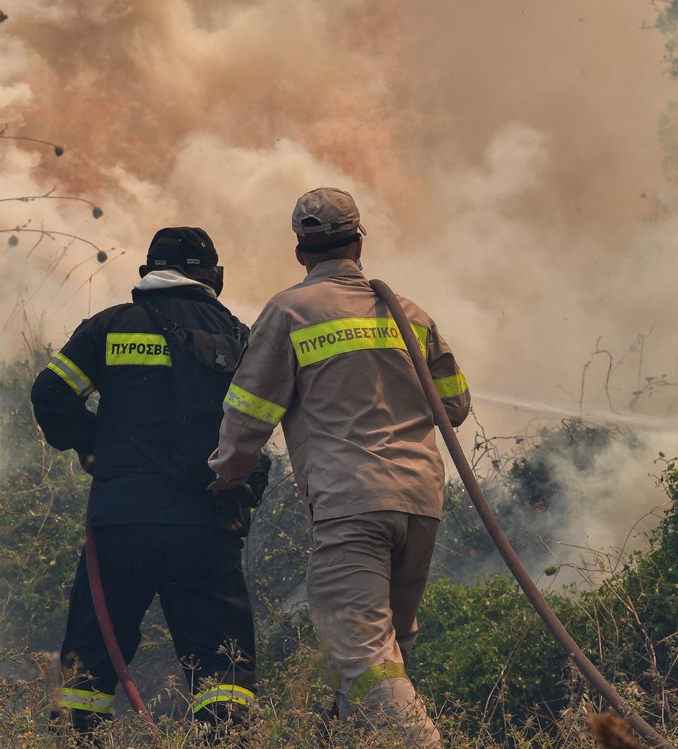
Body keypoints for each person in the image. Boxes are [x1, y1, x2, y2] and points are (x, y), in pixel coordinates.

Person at [208, 188, 470, 747]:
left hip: (351, 506)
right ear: (358, 243)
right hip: (420, 505)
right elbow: (455, 404)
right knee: (387, 656)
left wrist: (227, 473)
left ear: (301, 253)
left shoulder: (290, 311)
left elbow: (250, 410)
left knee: (363, 655)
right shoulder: (409, 313)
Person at [30, 227, 264, 740]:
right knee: (221, 668)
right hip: (205, 523)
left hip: (120, 522)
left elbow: (50, 394)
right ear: (213, 277)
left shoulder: (109, 326)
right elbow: (256, 425)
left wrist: (97, 450)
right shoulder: (237, 336)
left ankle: (76, 737)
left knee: (90, 660)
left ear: (147, 272)